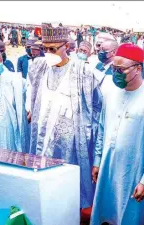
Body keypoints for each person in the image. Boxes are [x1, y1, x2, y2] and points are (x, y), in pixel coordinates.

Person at [27, 23, 102, 214]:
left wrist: (87, 131)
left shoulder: (83, 73)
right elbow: (30, 91)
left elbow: (97, 106)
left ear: (66, 47)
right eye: (45, 49)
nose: (48, 53)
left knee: (64, 190)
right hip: (40, 140)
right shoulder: (39, 66)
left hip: (69, 146)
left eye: (53, 49)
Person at [91, 43, 144, 225]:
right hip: (107, 169)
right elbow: (102, 128)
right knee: (103, 214)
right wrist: (97, 160)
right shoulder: (111, 93)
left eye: (121, 69)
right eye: (114, 68)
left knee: (128, 217)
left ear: (138, 69)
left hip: (133, 174)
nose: (116, 73)